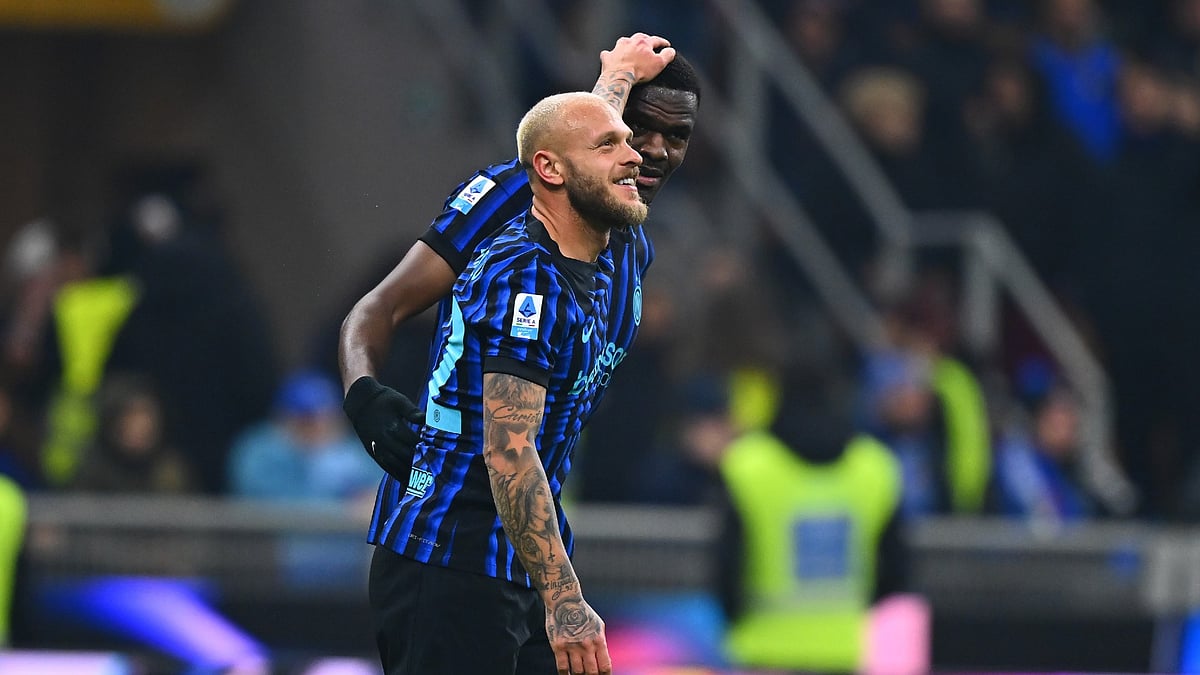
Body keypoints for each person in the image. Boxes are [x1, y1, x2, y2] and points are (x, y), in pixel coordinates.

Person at [351, 90, 655, 675]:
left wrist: (617, 76)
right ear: (549, 171)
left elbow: (567, 135)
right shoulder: (525, 276)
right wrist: (566, 600)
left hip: (515, 560)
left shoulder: (599, 258)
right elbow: (509, 450)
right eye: (610, 144)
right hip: (449, 557)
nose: (635, 154)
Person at [716, 371, 915, 673]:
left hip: (764, 654)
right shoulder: (875, 468)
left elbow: (726, 568)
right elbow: (898, 570)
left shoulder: (748, 465)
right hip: (846, 651)